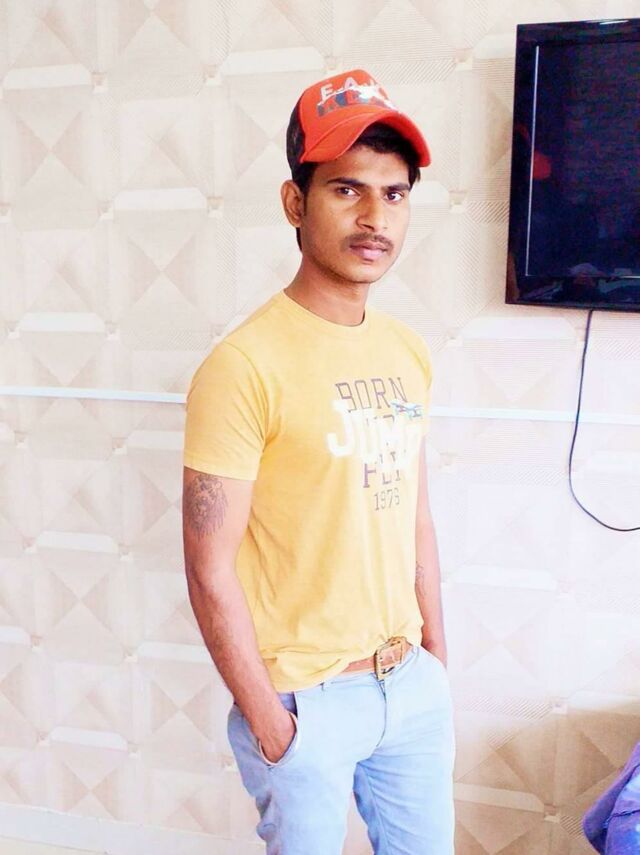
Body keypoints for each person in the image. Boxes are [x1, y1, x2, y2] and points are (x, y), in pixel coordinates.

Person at [182, 68, 455, 854]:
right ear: (295, 203)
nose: (375, 217)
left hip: (410, 686)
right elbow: (207, 564)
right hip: (307, 703)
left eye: (394, 194)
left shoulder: (406, 350)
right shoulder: (243, 365)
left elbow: (414, 516)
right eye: (346, 189)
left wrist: (435, 661)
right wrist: (271, 720)